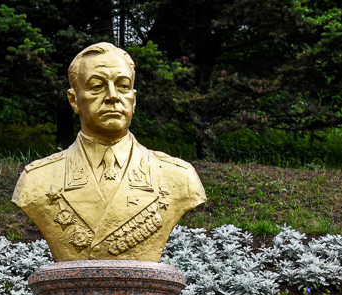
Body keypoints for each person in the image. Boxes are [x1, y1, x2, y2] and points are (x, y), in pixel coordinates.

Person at [12, 42, 206, 263]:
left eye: (123, 86)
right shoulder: (36, 180)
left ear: (133, 99)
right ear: (74, 100)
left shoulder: (180, 177)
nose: (112, 96)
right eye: (97, 86)